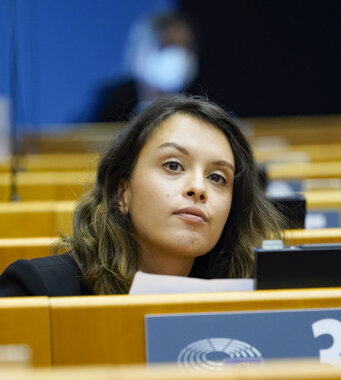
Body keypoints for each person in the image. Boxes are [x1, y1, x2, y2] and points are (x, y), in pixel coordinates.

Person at [0, 94, 284, 297]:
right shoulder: (36, 291)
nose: (198, 188)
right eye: (173, 165)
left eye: (217, 177)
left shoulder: (253, 298)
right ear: (122, 191)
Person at [90, 11, 202, 122]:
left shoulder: (202, 102)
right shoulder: (113, 102)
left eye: (187, 46)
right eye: (166, 45)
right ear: (139, 53)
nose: (179, 55)